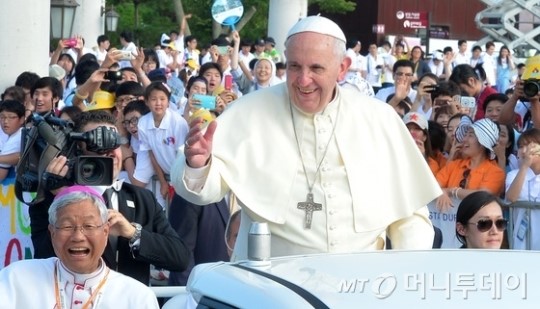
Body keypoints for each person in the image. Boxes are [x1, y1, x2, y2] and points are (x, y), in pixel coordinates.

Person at [171, 16, 442, 260]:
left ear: (342, 68)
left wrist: (407, 271)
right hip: (270, 285)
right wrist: (198, 165)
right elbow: (204, 191)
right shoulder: (247, 111)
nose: (303, 80)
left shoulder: (379, 118)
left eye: (316, 68)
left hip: (359, 288)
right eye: (294, 66)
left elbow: (411, 215)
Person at [29, 110, 189, 284]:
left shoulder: (142, 199)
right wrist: (64, 200)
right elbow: (43, 257)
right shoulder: (51, 199)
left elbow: (180, 258)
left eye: (115, 142)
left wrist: (132, 233)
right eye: (98, 142)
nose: (110, 151)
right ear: (77, 150)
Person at [0, 185, 159, 308]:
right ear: (52, 233)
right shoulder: (16, 278)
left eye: (89, 226)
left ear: (105, 232)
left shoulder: (137, 297)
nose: (77, 237)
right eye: (67, 226)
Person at [505, 128, 540, 249]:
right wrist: (524, 166)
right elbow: (511, 198)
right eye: (520, 146)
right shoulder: (513, 175)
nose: (524, 150)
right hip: (522, 243)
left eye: (529, 145)